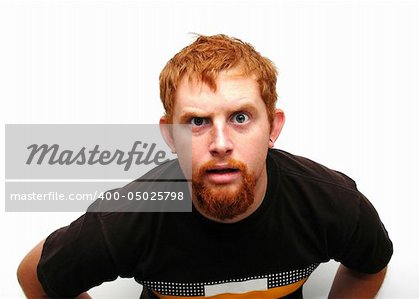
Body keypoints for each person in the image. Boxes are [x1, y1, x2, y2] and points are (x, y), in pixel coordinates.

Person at [17, 34, 393, 298]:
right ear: (171, 135)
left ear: (273, 126)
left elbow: (369, 265)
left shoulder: (332, 203)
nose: (221, 144)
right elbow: (34, 276)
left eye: (241, 117)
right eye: (197, 122)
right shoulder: (130, 216)